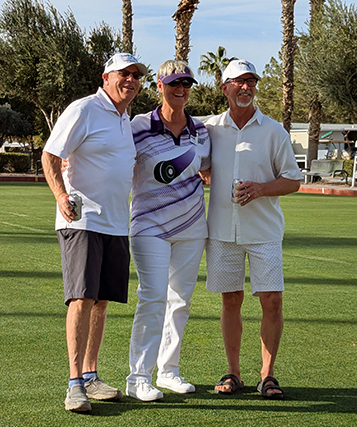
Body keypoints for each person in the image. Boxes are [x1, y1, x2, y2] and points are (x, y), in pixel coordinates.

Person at [42, 53, 148, 412]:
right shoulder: (84, 109)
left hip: (116, 223)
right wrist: (60, 196)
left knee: (101, 301)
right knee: (82, 298)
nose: (130, 80)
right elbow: (51, 155)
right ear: (106, 77)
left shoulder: (125, 119)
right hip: (82, 220)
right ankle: (74, 384)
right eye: (124, 74)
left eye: (136, 75)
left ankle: (90, 375)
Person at [204, 59, 302, 399]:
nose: (246, 87)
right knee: (231, 300)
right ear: (224, 87)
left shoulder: (274, 131)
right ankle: (233, 372)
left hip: (264, 231)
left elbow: (293, 181)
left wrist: (260, 189)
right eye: (239, 81)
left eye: (251, 81)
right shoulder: (209, 128)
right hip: (222, 231)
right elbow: (191, 159)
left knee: (272, 301)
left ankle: (267, 375)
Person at [125, 60, 210, 401]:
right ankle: (138, 377)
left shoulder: (201, 130)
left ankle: (169, 371)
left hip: (192, 227)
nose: (181, 89)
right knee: (153, 297)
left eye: (186, 83)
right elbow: (113, 157)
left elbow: (208, 170)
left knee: (180, 302)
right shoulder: (137, 126)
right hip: (149, 226)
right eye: (174, 82)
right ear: (159, 86)